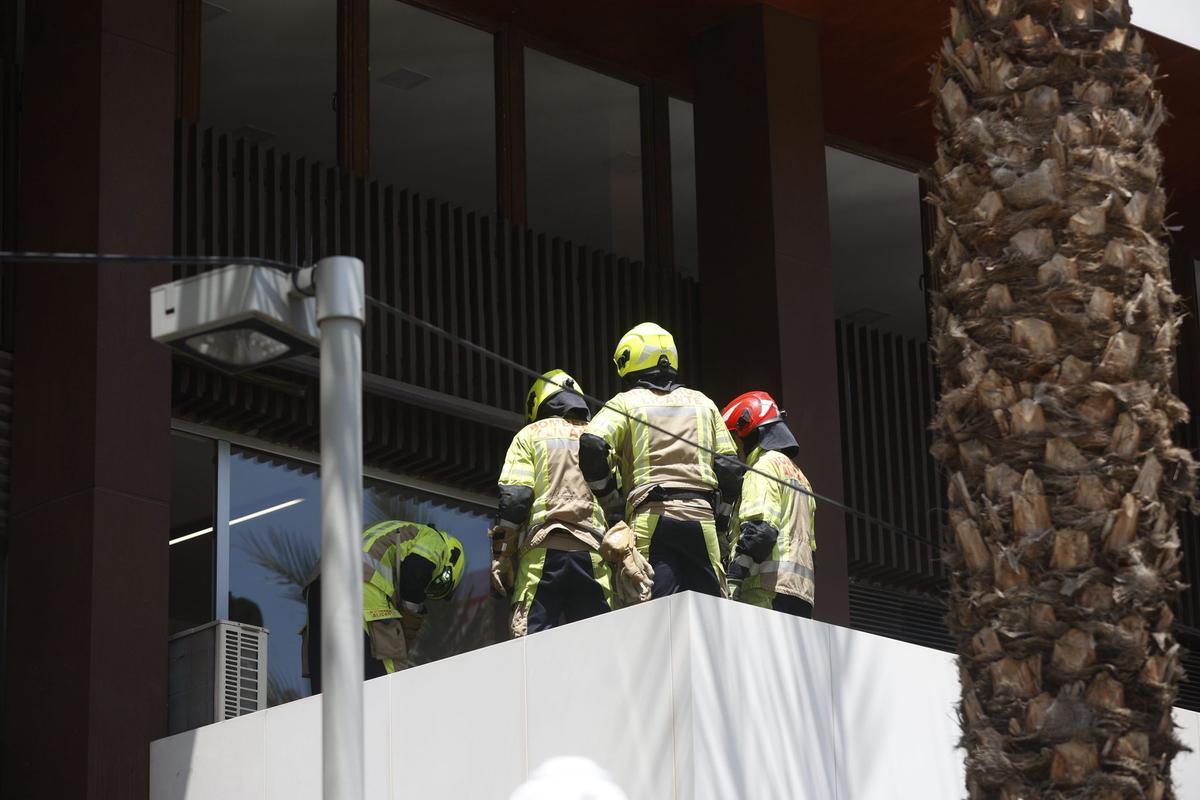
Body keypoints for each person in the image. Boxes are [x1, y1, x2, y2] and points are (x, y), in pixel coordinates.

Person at [579, 322, 743, 599]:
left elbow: (592, 444)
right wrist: (721, 518)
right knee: (710, 612)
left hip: (650, 516)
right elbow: (730, 469)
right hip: (701, 518)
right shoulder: (704, 403)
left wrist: (612, 505)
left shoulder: (626, 402)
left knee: (654, 612)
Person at [491, 370, 613, 636]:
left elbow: (515, 499)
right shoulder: (600, 435)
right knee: (600, 645)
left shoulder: (529, 435)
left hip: (542, 554)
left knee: (531, 649)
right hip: (594, 554)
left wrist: (501, 556)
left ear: (537, 403)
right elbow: (615, 498)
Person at [302, 520, 465, 692]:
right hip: (360, 590)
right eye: (437, 585)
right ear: (451, 557)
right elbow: (415, 574)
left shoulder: (386, 530)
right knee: (379, 687)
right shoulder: (433, 538)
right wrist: (412, 615)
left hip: (318, 586)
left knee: (327, 685)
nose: (427, 589)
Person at [721, 390, 816, 617]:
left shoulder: (763, 467)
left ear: (748, 430)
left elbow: (760, 531)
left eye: (735, 438)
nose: (735, 449)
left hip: (765, 589)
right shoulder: (800, 476)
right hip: (801, 594)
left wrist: (734, 576)